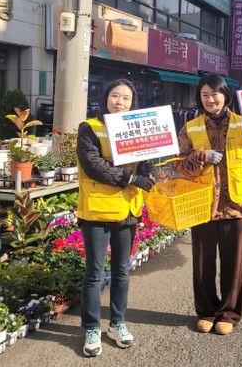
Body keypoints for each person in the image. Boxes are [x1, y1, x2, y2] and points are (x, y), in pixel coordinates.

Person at [173, 74, 242, 336]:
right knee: (203, 263)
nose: (210, 99)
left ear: (226, 95)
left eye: (215, 93)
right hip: (202, 204)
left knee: (234, 263)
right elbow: (179, 165)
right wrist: (200, 156)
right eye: (205, 95)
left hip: (235, 205)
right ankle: (206, 311)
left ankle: (229, 313)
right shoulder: (190, 127)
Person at [76, 78, 155, 357]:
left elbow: (144, 164)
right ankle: (91, 328)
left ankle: (117, 323)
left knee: (121, 270)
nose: (119, 102)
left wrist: (150, 165)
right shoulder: (89, 128)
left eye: (126, 98)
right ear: (105, 97)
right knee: (95, 272)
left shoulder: (138, 127)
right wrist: (131, 178)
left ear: (133, 103)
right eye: (114, 96)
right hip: (97, 210)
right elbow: (94, 165)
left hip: (127, 211)